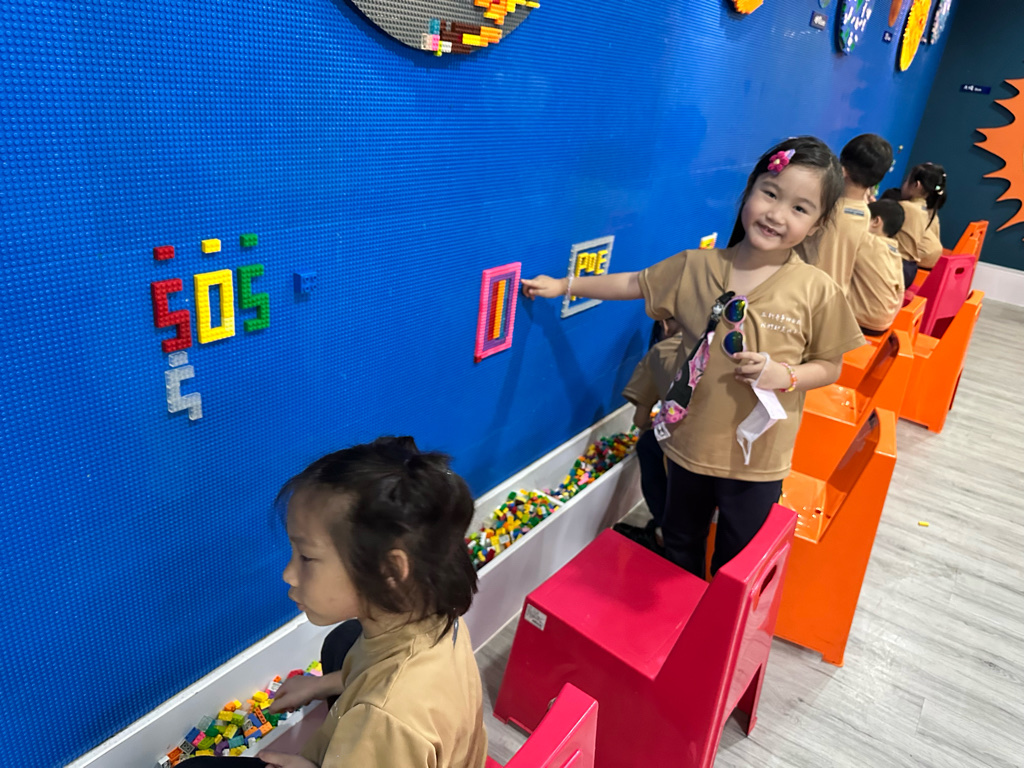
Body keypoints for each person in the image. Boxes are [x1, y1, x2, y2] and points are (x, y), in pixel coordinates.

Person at [522, 137, 864, 579]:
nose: (777, 214)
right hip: (688, 448)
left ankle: (715, 621)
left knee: (737, 567)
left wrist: (786, 375)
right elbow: (634, 284)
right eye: (770, 193)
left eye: (800, 208)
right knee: (679, 546)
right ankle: (680, 613)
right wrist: (565, 286)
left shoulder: (817, 290)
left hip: (757, 462)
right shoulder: (694, 267)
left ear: (816, 226)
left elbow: (831, 366)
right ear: (749, 190)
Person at [189, 437, 487, 768]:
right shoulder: (434, 613)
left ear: (390, 570)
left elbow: (386, 709)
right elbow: (370, 672)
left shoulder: (387, 718)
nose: (289, 574)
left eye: (306, 557)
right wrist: (320, 685)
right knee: (343, 640)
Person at [613, 318, 683, 553]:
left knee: (648, 446)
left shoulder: (662, 352)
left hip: (684, 449)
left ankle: (662, 532)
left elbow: (640, 419)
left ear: (664, 324)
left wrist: (646, 427)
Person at [809, 133, 894, 292]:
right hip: (835, 297)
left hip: (808, 292)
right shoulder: (865, 213)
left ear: (842, 170)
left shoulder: (826, 208)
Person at [847, 198, 907, 335]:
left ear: (875, 222)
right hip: (883, 325)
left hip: (858, 322)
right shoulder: (895, 251)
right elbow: (900, 293)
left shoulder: (868, 241)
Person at [895, 162, 947, 287]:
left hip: (903, 269)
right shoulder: (925, 209)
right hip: (912, 269)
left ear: (916, 185)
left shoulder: (905, 207)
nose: (903, 185)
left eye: (906, 180)